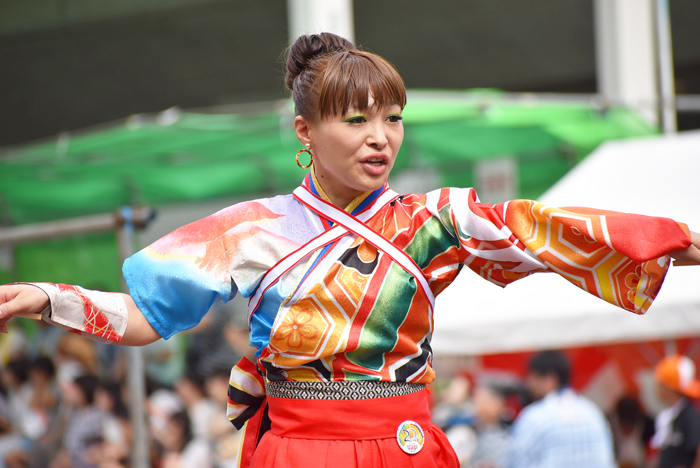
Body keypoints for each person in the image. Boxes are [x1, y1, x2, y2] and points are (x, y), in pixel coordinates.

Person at [0, 32, 699, 468]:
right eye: (356, 119)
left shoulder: (439, 218)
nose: (381, 137)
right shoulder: (252, 229)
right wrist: (44, 299)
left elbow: (545, 229)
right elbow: (147, 315)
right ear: (304, 131)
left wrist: (673, 242)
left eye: (392, 118)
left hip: (406, 449)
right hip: (299, 450)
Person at [505, 351, 616, 468]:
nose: (528, 384)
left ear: (549, 380)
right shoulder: (593, 413)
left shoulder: (536, 417)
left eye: (532, 377)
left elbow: (514, 462)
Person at [650, 355, 700, 468]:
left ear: (669, 388)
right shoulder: (668, 416)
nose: (655, 387)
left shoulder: (690, 417)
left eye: (659, 383)